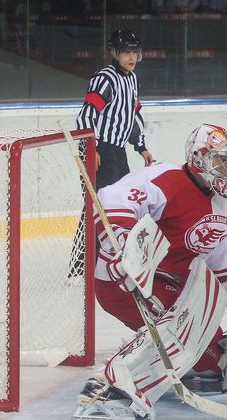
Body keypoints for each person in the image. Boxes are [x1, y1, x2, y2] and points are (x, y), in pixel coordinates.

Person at [72, 123, 227, 420]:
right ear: (198, 157)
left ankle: (162, 357)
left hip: (171, 285)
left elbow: (219, 266)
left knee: (215, 362)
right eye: (219, 161)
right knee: (180, 332)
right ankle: (106, 384)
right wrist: (121, 242)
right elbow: (110, 198)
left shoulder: (223, 204)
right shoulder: (166, 178)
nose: (226, 169)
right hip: (124, 280)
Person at [69, 29, 154, 278]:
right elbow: (86, 115)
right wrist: (90, 147)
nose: (131, 57)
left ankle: (113, 260)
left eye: (135, 52)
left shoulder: (132, 79)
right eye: (126, 52)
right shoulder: (105, 78)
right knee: (98, 207)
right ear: (114, 53)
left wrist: (141, 146)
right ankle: (80, 268)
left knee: (121, 205)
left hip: (117, 151)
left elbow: (132, 115)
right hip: (101, 150)